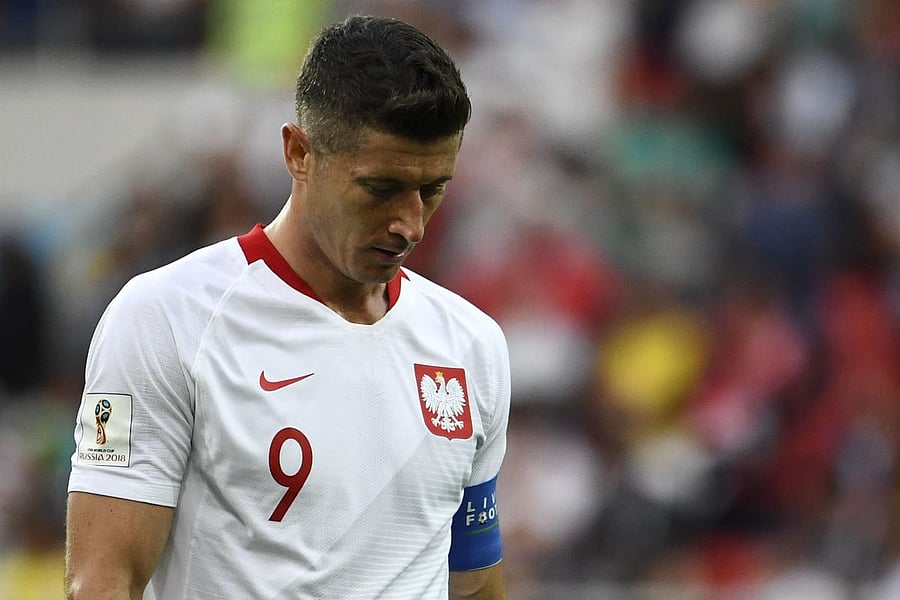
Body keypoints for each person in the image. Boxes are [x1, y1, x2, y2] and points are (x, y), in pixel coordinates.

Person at [64, 15, 510, 600]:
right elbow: (102, 580)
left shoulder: (471, 344)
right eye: (380, 189)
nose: (411, 224)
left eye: (433, 189)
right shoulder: (163, 319)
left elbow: (474, 583)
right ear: (299, 153)